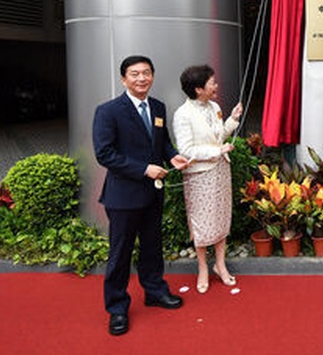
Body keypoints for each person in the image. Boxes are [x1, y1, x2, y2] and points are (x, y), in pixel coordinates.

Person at [93, 55, 190, 336]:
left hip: (153, 194)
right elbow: (105, 154)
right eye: (134, 74)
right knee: (120, 253)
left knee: (152, 247)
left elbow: (163, 144)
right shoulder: (108, 111)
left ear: (153, 76)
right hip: (123, 196)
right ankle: (117, 308)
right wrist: (143, 169)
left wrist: (173, 158)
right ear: (124, 79)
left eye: (146, 73)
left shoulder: (158, 107)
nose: (141, 78)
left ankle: (155, 291)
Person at [172, 65, 242, 294]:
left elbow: (219, 135)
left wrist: (232, 119)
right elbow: (186, 149)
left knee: (221, 217)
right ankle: (202, 267)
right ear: (198, 89)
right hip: (199, 174)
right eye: (212, 83)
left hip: (220, 171)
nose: (216, 86)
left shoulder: (215, 107)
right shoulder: (182, 114)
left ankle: (220, 265)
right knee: (201, 223)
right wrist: (217, 152)